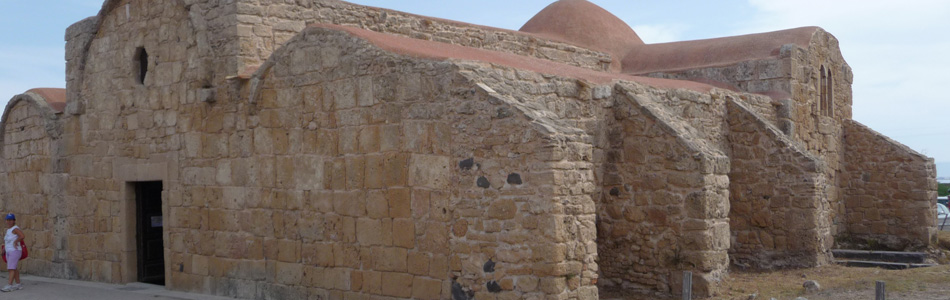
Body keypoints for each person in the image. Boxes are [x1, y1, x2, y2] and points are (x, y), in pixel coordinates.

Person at [1, 213, 25, 292]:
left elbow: (22, 236)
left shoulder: (15, 229)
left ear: (14, 221)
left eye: (10, 220)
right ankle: (18, 284)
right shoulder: (8, 230)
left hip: (14, 251)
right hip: (9, 251)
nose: (9, 221)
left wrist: (16, 241)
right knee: (13, 268)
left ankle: (9, 285)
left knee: (11, 268)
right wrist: (4, 249)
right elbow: (8, 241)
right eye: (7, 220)